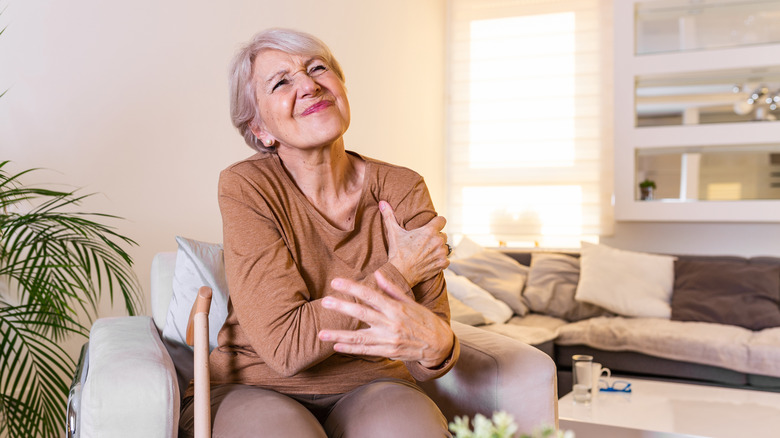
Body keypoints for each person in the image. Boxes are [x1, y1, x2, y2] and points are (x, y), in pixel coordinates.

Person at [178, 28, 459, 437]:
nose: (309, 85)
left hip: (374, 384)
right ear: (260, 130)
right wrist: (400, 270)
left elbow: (428, 348)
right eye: (282, 82)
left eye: (317, 68)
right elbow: (286, 347)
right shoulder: (247, 186)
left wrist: (440, 347)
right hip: (254, 385)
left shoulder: (403, 186)